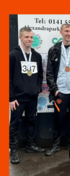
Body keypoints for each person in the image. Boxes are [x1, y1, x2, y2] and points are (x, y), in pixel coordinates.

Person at [46, 24, 70, 156]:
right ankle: (56, 145)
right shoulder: (54, 49)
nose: (69, 34)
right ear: (61, 32)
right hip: (60, 92)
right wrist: (55, 90)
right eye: (66, 31)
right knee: (58, 120)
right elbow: (49, 72)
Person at [9, 27, 45, 163]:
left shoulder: (37, 56)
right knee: (15, 124)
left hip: (32, 97)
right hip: (17, 98)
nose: (29, 39)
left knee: (31, 121)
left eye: (31, 37)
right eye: (26, 37)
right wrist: (11, 98)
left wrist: (37, 89)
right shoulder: (13, 55)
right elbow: (8, 78)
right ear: (20, 38)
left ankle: (30, 145)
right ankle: (13, 149)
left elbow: (40, 75)